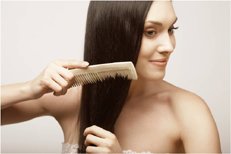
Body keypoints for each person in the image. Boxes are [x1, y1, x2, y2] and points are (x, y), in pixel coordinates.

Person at [1, 1, 221, 153]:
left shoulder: (188, 111)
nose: (169, 46)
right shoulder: (71, 96)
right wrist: (29, 88)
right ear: (114, 33)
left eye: (171, 29)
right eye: (151, 32)